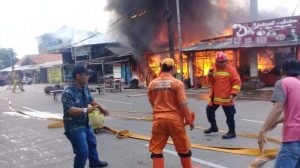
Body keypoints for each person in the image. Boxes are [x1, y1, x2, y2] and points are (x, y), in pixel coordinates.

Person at [147, 58, 195, 168]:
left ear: (161, 68)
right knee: (183, 148)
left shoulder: (152, 84)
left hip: (159, 120)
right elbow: (183, 103)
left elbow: (152, 102)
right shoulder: (177, 83)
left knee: (156, 149)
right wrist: (189, 120)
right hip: (175, 121)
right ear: (173, 68)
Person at [62, 66, 109, 168]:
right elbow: (69, 110)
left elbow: (91, 100)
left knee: (92, 144)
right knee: (82, 152)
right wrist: (86, 110)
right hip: (74, 127)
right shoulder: (68, 93)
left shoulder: (85, 88)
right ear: (78, 76)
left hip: (85, 124)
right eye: (86, 75)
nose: (88, 77)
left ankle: (94, 163)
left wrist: (101, 107)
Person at [258, 58, 300, 168]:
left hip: (292, 141)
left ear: (282, 72)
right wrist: (276, 121)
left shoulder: (282, 83)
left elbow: (278, 108)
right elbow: (294, 112)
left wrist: (263, 130)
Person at [204, 52, 241, 139]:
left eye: (223, 61)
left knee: (230, 116)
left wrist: (233, 93)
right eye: (219, 62)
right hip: (215, 97)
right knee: (209, 111)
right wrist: (209, 77)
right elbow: (209, 83)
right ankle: (214, 127)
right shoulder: (213, 69)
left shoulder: (231, 70)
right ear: (216, 61)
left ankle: (232, 132)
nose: (221, 63)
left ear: (226, 61)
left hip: (227, 98)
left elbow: (237, 82)